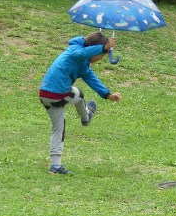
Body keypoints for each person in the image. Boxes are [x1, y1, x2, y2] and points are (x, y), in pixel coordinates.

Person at [39, 31, 122, 175]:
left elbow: (92, 79)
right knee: (78, 94)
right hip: (58, 94)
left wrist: (107, 94)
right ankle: (86, 117)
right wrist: (103, 48)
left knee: (59, 128)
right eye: (102, 55)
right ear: (94, 49)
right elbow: (80, 54)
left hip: (45, 95)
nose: (101, 58)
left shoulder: (83, 65)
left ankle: (55, 166)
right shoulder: (75, 50)